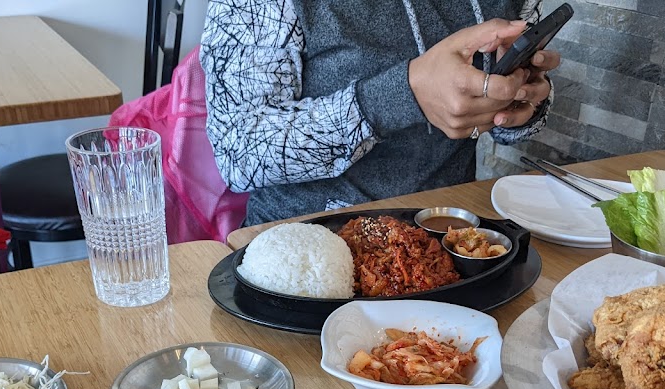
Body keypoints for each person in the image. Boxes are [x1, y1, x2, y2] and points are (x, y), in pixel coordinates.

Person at [200, 0, 560, 225]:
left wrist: (520, 98)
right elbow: (239, 152)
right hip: (305, 244)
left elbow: (509, 119)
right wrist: (398, 96)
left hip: (448, 232)